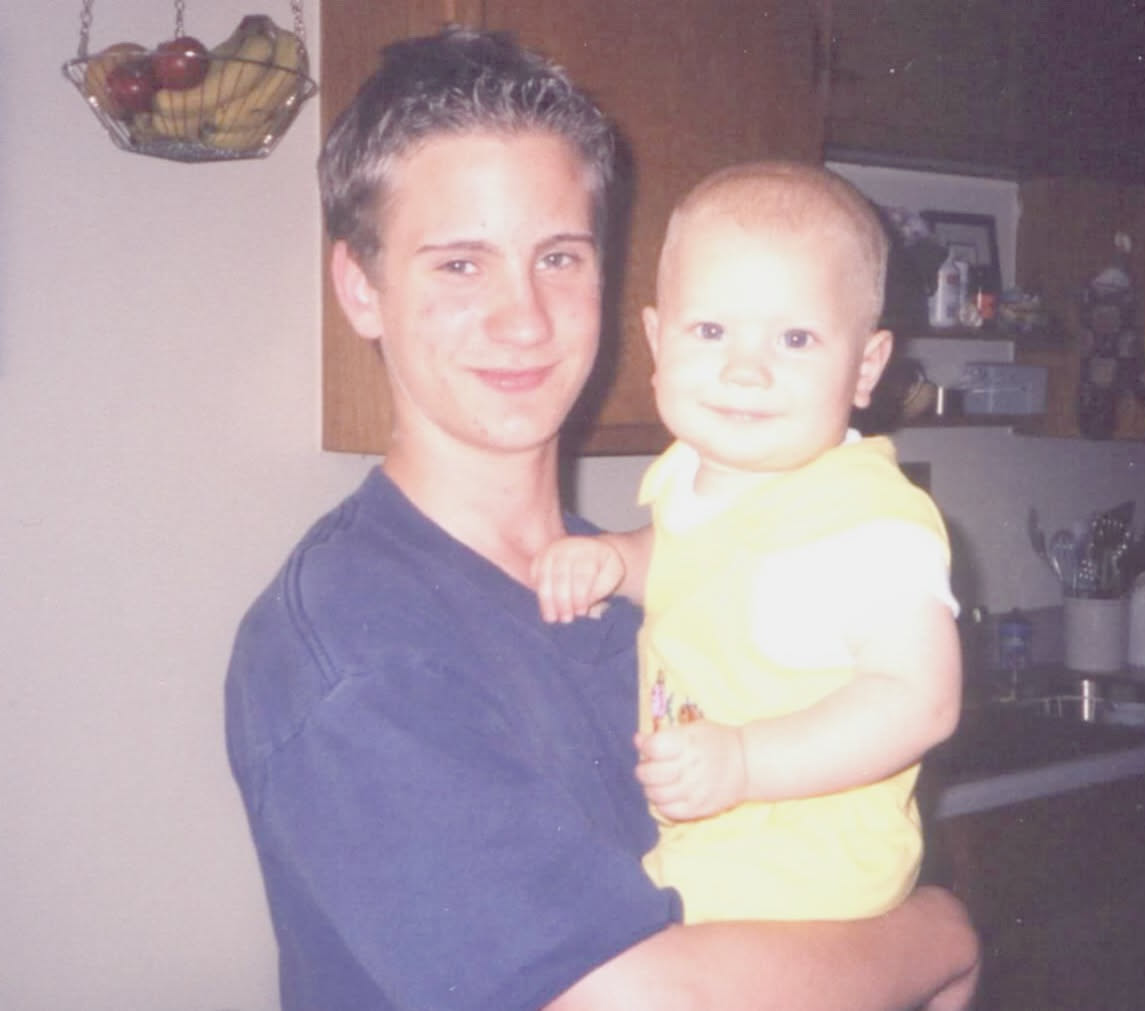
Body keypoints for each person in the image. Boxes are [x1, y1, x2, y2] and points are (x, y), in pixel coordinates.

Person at [225, 26, 979, 1011]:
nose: (525, 318)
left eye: (559, 257)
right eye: (460, 265)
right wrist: (938, 935)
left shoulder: (656, 573)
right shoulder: (353, 648)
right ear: (361, 289)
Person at [532, 162, 963, 930]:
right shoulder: (689, 476)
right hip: (718, 838)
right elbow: (692, 562)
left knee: (600, 940)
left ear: (865, 366)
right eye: (710, 331)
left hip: (811, 857)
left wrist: (745, 761)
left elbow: (920, 699)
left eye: (794, 338)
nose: (745, 369)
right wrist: (619, 560)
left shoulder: (863, 518)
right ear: (657, 340)